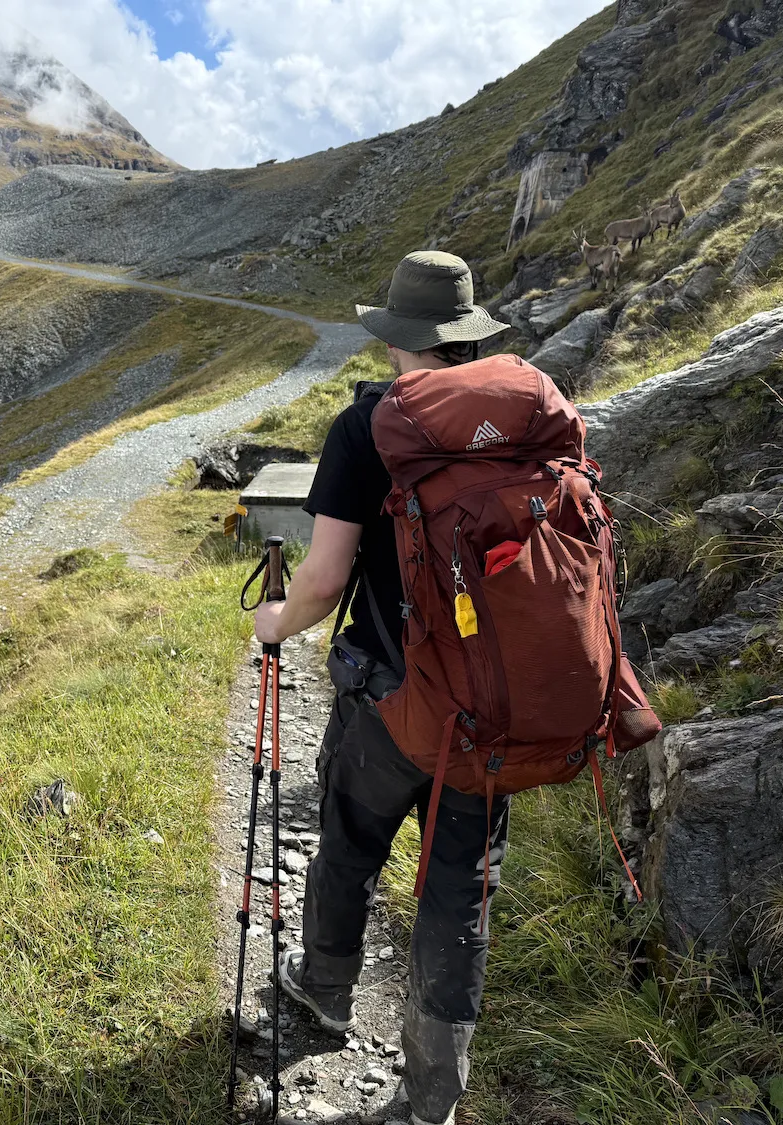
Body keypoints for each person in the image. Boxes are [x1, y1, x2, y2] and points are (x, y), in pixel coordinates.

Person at [253, 251, 512, 1125]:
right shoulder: (523, 421)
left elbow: (323, 581)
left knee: (350, 839)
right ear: (469, 334)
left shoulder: (369, 429)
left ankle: (325, 988)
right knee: (458, 887)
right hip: (493, 713)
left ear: (395, 335)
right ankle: (430, 1096)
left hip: (393, 700)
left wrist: (273, 624)